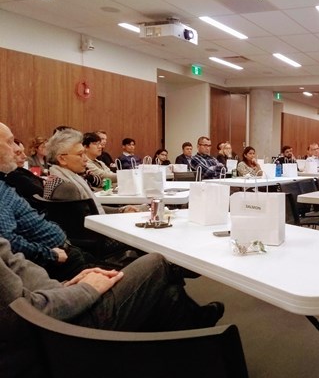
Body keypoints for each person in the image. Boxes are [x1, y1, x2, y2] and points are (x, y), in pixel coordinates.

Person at [0, 237, 225, 377]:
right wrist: (87, 290)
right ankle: (196, 323)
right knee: (156, 263)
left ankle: (195, 347)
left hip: (54, 303)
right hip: (55, 335)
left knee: (166, 294)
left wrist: (67, 286)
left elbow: (19, 278)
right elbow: (18, 315)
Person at [0, 122, 91, 281]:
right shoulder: (3, 188)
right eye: (9, 142)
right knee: (148, 270)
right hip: (61, 263)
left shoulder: (5, 182)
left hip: (68, 251)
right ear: (62, 158)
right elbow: (6, 241)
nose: (16, 150)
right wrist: (50, 255)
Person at [44, 129, 140, 214]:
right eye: (80, 154)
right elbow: (84, 223)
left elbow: (90, 209)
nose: (85, 159)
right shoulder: (67, 188)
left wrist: (121, 210)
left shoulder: (59, 178)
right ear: (62, 159)